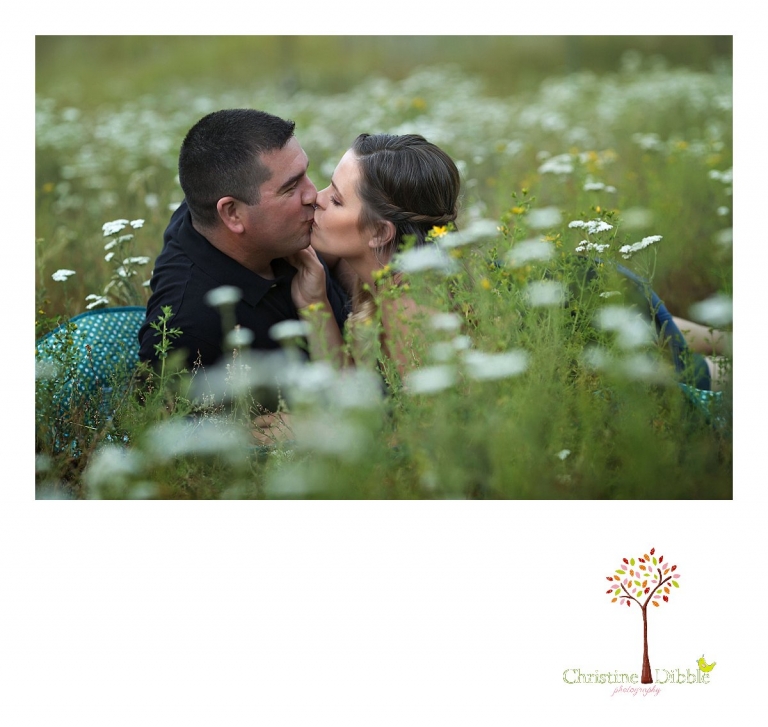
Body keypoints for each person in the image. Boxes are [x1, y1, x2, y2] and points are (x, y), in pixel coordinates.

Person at [287, 133, 730, 391]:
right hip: (552, 292)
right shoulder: (364, 267)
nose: (315, 199)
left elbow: (401, 427)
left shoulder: (413, 311)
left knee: (707, 378)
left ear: (380, 232)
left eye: (336, 197)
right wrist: (315, 303)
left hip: (591, 303)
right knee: (710, 349)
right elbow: (356, 389)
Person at [138, 109, 350, 370]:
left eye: (305, 174)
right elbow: (167, 408)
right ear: (232, 213)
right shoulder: (190, 330)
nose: (314, 195)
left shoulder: (210, 208)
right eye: (291, 187)